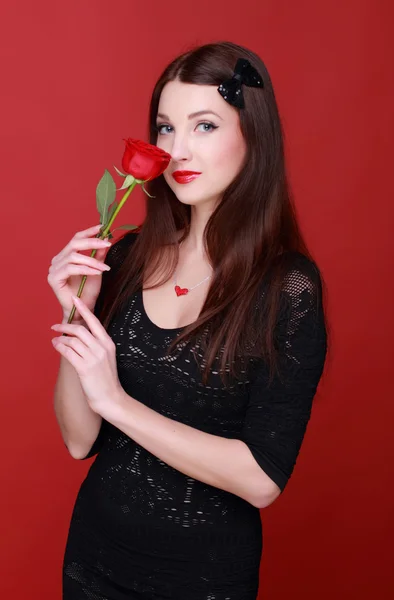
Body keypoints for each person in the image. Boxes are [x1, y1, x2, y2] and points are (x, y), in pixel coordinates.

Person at [48, 41, 328, 600]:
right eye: (166, 128)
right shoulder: (128, 256)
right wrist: (74, 309)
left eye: (204, 125)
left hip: (200, 581)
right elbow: (79, 441)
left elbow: (261, 480)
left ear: (254, 134)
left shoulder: (286, 286)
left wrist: (118, 404)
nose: (177, 150)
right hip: (92, 564)